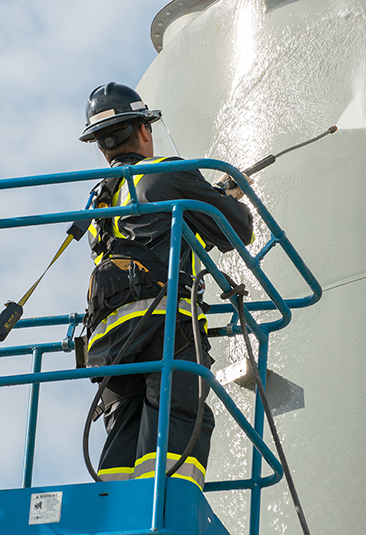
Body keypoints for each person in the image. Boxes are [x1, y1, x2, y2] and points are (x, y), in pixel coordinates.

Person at [80, 82, 253, 488]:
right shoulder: (164, 173)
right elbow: (238, 230)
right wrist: (227, 196)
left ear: (102, 147)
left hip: (110, 338)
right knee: (178, 413)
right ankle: (168, 503)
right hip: (163, 321)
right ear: (144, 129)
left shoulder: (100, 202)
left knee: (125, 424)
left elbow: (149, 240)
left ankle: (115, 509)